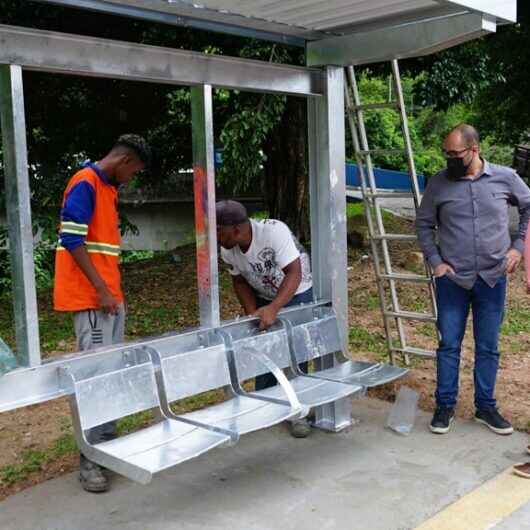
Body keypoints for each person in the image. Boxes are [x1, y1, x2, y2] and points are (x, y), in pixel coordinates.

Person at [416, 124, 530, 435]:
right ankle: (445, 405)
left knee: (488, 346)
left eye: (455, 154)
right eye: (446, 153)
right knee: (449, 344)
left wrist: (518, 247)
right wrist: (435, 261)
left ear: (474, 150)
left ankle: (485, 406)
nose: (449, 159)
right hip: (453, 279)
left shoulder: (505, 178)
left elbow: (528, 206)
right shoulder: (439, 183)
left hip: (492, 279)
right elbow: (424, 225)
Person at [53, 134, 151, 492]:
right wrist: (101, 290)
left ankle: (107, 442)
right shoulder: (85, 183)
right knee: (93, 375)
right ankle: (89, 459)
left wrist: (111, 292)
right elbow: (72, 239)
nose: (132, 178)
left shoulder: (106, 188)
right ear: (124, 161)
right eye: (135, 171)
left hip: (108, 297)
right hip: (92, 299)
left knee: (110, 371)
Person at [216, 200, 313, 438]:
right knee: (265, 351)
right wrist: (253, 312)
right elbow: (239, 281)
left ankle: (298, 412)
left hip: (296, 292)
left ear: (236, 230)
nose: (214, 237)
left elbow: (295, 272)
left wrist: (274, 308)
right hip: (263, 295)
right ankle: (267, 406)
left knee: (294, 352)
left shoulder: (273, 232)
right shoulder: (227, 248)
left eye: (218, 230)